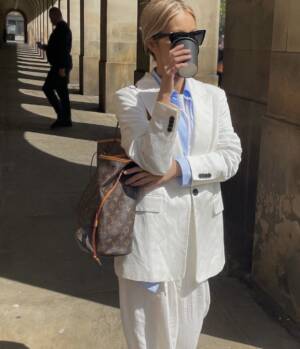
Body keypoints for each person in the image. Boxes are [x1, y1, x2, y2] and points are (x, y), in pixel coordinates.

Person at [114, 1, 242, 348]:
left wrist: (179, 169)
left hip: (198, 246)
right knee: (148, 340)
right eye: (176, 37)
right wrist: (167, 95)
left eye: (194, 35)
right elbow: (152, 160)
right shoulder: (131, 98)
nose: (187, 46)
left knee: (187, 339)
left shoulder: (214, 98)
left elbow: (231, 158)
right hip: (152, 241)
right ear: (152, 43)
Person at [38, 7, 72, 129]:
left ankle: (63, 117)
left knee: (49, 89)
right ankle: (65, 119)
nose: (50, 20)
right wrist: (44, 47)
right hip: (59, 65)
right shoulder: (60, 28)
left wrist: (62, 67)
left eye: (51, 17)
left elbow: (64, 49)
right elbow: (56, 47)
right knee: (62, 94)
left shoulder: (62, 29)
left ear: (57, 15)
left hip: (60, 66)